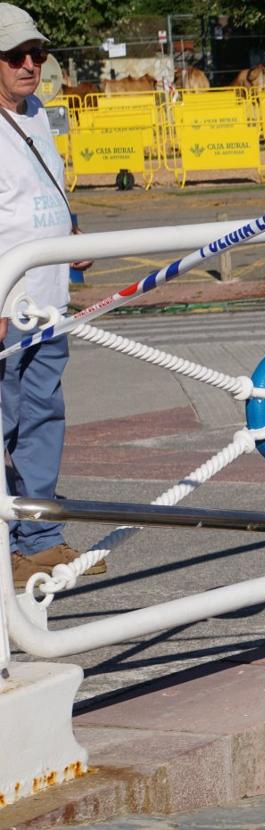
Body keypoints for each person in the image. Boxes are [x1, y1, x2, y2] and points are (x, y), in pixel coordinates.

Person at [0, 3, 100, 584]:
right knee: (5, 425)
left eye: (36, 53)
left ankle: (38, 539)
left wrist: (70, 235)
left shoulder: (37, 113)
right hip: (7, 306)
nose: (30, 65)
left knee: (42, 419)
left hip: (47, 303)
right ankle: (5, 546)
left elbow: (43, 189)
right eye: (15, 55)